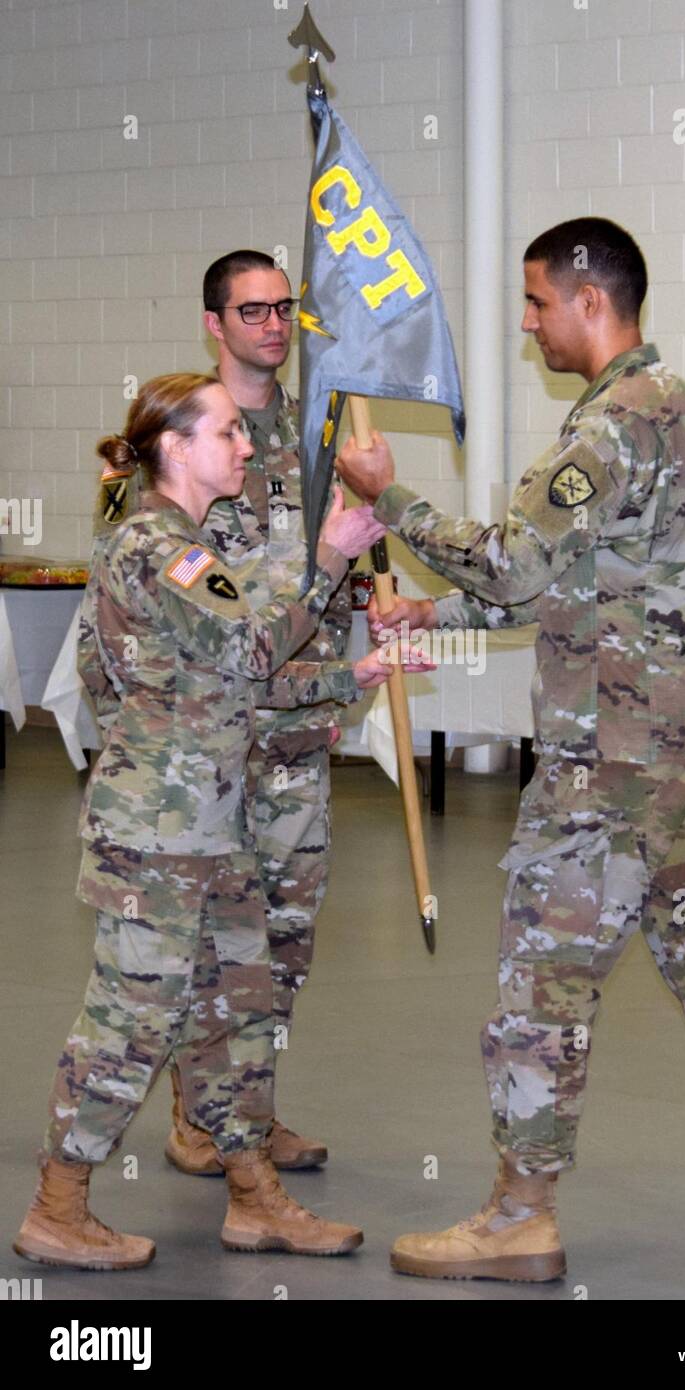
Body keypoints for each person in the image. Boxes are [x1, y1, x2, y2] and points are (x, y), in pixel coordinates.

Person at [336, 218, 685, 1283]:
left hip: (610, 771)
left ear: (588, 299)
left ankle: (521, 1217)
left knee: (542, 988)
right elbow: (599, 586)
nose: (528, 323)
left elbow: (515, 569)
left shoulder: (604, 430)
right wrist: (438, 628)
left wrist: (392, 498)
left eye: (534, 302)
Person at [13, 372, 393, 1270]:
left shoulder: (184, 546)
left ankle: (254, 1196)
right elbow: (253, 645)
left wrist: (354, 678)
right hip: (158, 835)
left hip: (212, 825)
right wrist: (333, 555)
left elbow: (235, 681)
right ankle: (58, 1205)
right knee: (131, 1021)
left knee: (237, 1010)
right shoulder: (159, 549)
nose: (247, 445)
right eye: (228, 433)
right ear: (177, 449)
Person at [87, 248, 362, 1177]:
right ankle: (197, 1121)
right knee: (195, 958)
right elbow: (115, 637)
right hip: (204, 755)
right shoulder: (179, 439)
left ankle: (251, 1112)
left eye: (284, 308)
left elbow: (337, 582)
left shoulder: (317, 439)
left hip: (291, 737)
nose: (273, 325)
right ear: (215, 323)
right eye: (252, 311)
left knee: (275, 951)